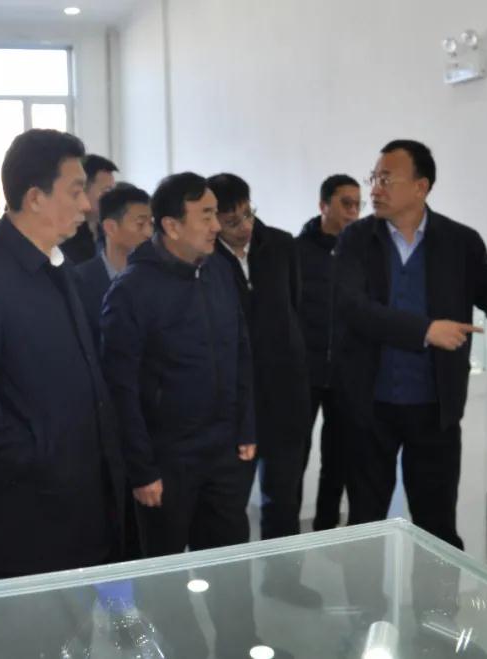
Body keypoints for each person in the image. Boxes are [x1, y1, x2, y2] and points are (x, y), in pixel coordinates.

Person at [335, 139, 487, 546]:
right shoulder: (356, 239)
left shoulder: (460, 242)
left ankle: (437, 592)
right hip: (369, 404)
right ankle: (367, 591)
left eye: (386, 179)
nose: (375, 189)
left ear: (421, 186)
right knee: (365, 526)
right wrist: (426, 330)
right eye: (373, 178)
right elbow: (353, 308)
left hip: (435, 408)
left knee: (437, 527)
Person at [0, 129, 124, 583]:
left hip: (83, 503)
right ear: (35, 197)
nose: (87, 205)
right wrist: (39, 456)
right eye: (75, 191)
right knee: (30, 626)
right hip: (28, 516)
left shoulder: (56, 265)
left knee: (95, 624)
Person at [101, 172, 266, 657]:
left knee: (230, 565)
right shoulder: (132, 290)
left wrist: (245, 426)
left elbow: (241, 352)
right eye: (207, 215)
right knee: (166, 578)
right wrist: (141, 469)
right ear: (171, 226)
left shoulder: (217, 271)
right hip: (165, 461)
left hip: (223, 452)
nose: (218, 225)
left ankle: (240, 647)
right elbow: (120, 390)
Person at [208, 173, 318, 607]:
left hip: (285, 394)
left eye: (248, 214)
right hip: (234, 402)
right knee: (229, 506)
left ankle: (282, 579)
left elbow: (295, 308)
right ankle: (231, 599)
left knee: (284, 497)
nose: (245, 227)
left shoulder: (282, 246)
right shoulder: (207, 257)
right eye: (232, 220)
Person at [295, 174, 361, 531]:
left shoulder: (360, 253)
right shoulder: (296, 251)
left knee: (340, 459)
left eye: (358, 204)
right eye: (345, 203)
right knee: (294, 459)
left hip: (346, 374)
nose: (353, 212)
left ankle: (325, 529)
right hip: (303, 372)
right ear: (323, 205)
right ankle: (288, 544)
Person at [74, 182, 153, 341]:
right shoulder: (79, 280)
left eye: (151, 223)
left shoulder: (157, 276)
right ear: (110, 227)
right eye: (140, 224)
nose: (149, 233)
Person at [59, 154, 118, 263]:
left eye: (114, 191)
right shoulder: (64, 237)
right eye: (106, 191)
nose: (113, 198)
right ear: (83, 189)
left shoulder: (109, 232)